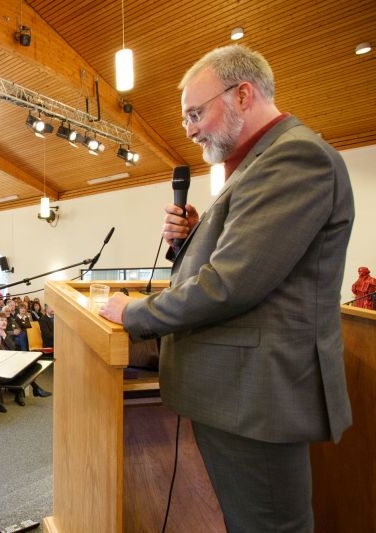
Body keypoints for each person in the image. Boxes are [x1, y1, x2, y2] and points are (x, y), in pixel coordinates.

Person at [99, 45, 354, 533]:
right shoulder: (259, 163)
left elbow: (229, 283)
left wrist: (133, 312)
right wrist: (190, 239)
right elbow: (242, 262)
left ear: (243, 95)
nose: (190, 129)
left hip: (258, 396)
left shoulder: (294, 157)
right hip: (240, 393)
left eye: (195, 113)